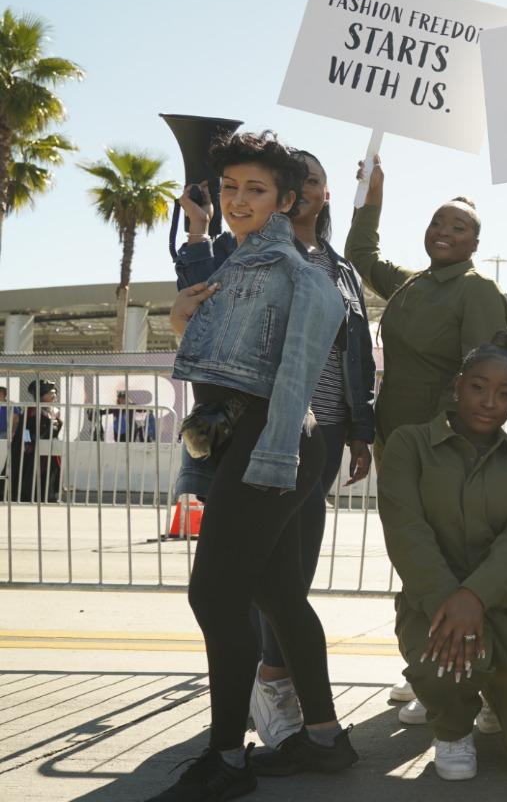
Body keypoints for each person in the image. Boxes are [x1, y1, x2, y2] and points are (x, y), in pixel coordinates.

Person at [149, 131, 352, 802]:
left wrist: (272, 460)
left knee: (214, 594)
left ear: (287, 200)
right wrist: (181, 321)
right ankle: (323, 738)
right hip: (257, 437)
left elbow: (295, 380)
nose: (239, 199)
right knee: (279, 596)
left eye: (255, 190)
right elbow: (213, 352)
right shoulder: (238, 263)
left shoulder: (299, 275)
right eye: (230, 187)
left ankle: (227, 760)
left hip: (278, 438)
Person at [344, 156, 507, 715]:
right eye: (438, 221)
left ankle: (468, 682)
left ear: (476, 241)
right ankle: (428, 666)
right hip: (399, 447)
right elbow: (361, 257)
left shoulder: (476, 290)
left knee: (447, 563)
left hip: (444, 451)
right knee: (414, 561)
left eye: (458, 226)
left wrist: (442, 441)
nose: (444, 231)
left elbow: (479, 376)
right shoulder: (412, 284)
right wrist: (372, 196)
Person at [378, 331, 507, 781]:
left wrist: (477, 596)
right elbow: (406, 532)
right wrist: (452, 600)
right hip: (439, 604)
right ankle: (452, 729)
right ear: (457, 385)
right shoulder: (409, 446)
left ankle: (495, 695)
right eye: (478, 386)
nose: (490, 402)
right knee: (447, 653)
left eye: (504, 394)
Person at [7, 380, 62, 503]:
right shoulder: (31, 410)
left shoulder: (55, 411)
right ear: (41, 395)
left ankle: (49, 496)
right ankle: (27, 496)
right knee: (31, 471)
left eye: (54, 393)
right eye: (50, 393)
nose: (54, 396)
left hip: (50, 447)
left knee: (52, 470)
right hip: (32, 448)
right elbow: (25, 429)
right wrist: (27, 444)